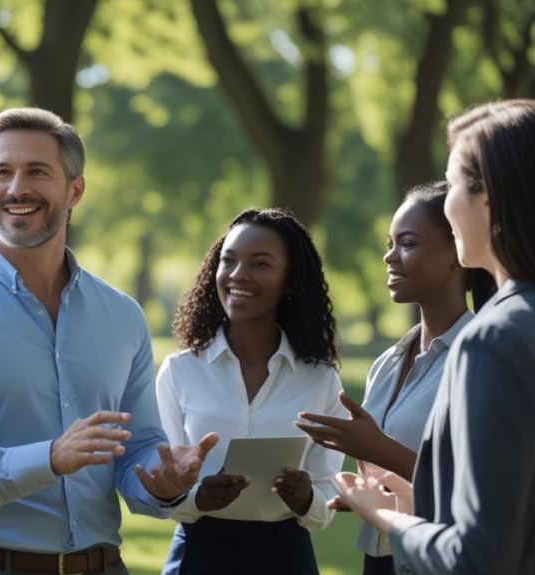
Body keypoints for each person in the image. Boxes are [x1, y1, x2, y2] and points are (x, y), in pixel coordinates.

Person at [0, 107, 218, 575]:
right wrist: (48, 458)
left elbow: (138, 448)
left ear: (75, 190)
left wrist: (164, 481)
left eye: (36, 172)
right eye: (1, 172)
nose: (15, 188)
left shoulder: (122, 317)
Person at [334, 99, 535, 574]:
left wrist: (385, 516)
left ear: (489, 198)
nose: (447, 201)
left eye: (456, 182)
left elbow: (476, 556)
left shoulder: (495, 338)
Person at [296, 182, 495, 575]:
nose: (389, 256)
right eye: (390, 243)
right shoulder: (387, 363)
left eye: (406, 243)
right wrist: (360, 489)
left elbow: (487, 488)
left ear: (458, 252)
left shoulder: (483, 358)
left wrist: (381, 449)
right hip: (380, 558)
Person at [156, 207, 346, 575]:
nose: (238, 275)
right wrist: (197, 497)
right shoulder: (181, 370)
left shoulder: (320, 380)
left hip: (286, 555)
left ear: (289, 281)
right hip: (198, 553)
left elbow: (326, 503)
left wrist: (305, 498)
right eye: (229, 261)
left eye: (260, 264)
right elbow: (159, 489)